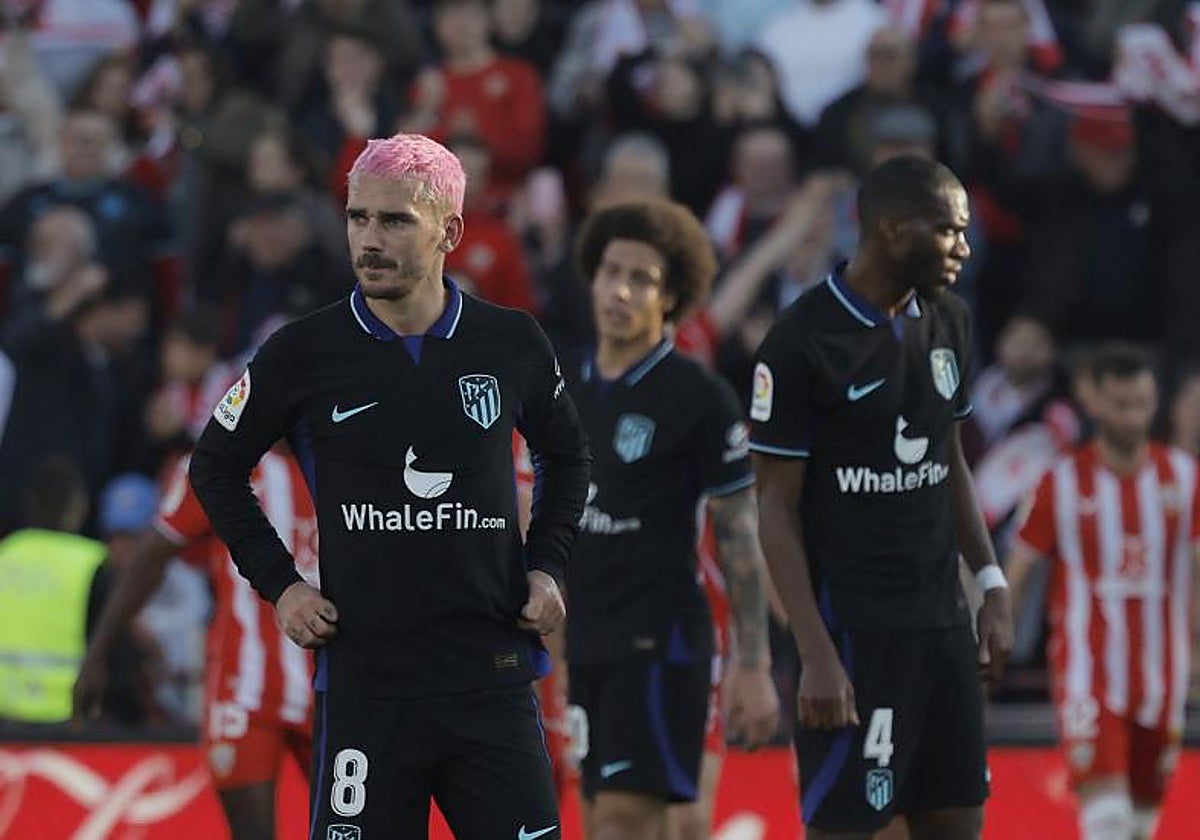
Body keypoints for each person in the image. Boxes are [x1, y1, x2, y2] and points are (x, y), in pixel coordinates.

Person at [188, 133, 591, 839]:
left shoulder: (512, 343)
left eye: (395, 220)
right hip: (366, 688)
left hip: (488, 678)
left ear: (450, 232)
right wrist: (282, 584)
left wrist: (550, 567)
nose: (369, 239)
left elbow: (569, 456)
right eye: (358, 217)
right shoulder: (303, 352)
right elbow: (213, 466)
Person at [749, 155, 1014, 840]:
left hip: (941, 626)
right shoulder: (801, 341)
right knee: (850, 828)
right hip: (854, 635)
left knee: (956, 822)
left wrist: (989, 580)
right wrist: (813, 650)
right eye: (948, 231)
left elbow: (947, 456)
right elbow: (773, 506)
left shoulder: (949, 319)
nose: (963, 246)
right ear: (892, 228)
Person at [564, 199, 780, 840]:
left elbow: (740, 536)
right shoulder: (559, 386)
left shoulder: (698, 397)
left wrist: (754, 664)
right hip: (581, 640)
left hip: (659, 639)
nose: (621, 291)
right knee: (606, 820)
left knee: (630, 823)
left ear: (672, 297)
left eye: (642, 279)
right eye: (611, 272)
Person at [74, 446, 318, 839]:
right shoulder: (220, 459)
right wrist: (97, 654)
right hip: (243, 693)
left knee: (354, 826)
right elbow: (153, 554)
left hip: (330, 686)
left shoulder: (345, 453)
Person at [1005, 344, 1196, 840]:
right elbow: (1019, 569)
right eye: (1122, 404)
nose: (1133, 416)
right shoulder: (1060, 483)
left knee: (1139, 823)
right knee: (1107, 822)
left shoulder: (1185, 478)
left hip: (1163, 676)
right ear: (1097, 403)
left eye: (1142, 403)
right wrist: (997, 643)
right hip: (1087, 674)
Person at [0, 455, 148, 726]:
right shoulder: (91, 562)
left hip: (5, 727)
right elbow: (117, 651)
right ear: (76, 507)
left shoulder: (5, 555)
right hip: (69, 723)